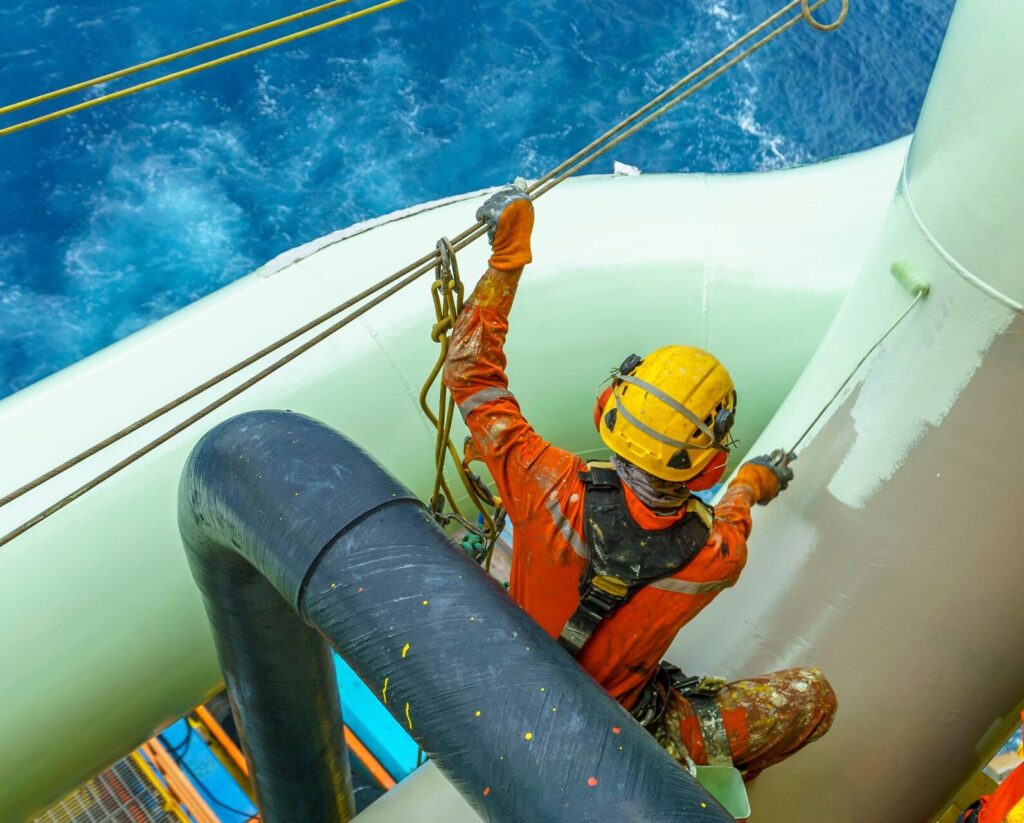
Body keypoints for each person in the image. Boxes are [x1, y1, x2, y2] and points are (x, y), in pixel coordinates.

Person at [442, 186, 836, 783]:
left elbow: (470, 371)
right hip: (617, 728)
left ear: (609, 409)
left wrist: (508, 256)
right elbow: (734, 508)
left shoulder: (543, 483)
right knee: (813, 697)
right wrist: (757, 478)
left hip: (515, 681)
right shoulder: (716, 558)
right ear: (706, 468)